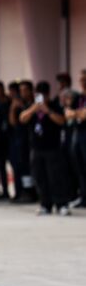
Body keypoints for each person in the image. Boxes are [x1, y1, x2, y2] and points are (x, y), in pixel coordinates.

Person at [20, 82, 68, 216]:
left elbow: (62, 121)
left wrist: (48, 111)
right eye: (37, 95)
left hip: (52, 148)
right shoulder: (32, 107)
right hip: (36, 148)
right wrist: (33, 109)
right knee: (40, 177)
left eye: (42, 95)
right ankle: (45, 204)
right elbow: (22, 118)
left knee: (56, 177)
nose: (40, 99)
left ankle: (61, 204)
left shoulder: (54, 105)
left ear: (47, 95)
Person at [8, 81, 36, 203]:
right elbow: (13, 122)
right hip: (20, 140)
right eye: (21, 90)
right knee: (22, 167)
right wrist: (13, 108)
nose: (23, 93)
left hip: (32, 141)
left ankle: (32, 192)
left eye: (25, 90)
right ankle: (24, 191)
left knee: (32, 167)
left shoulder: (34, 105)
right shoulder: (19, 105)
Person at [67, 70, 86, 208]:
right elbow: (67, 114)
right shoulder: (78, 98)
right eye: (81, 80)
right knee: (79, 167)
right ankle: (83, 197)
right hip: (77, 134)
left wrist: (76, 114)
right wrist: (77, 114)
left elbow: (84, 115)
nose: (83, 83)